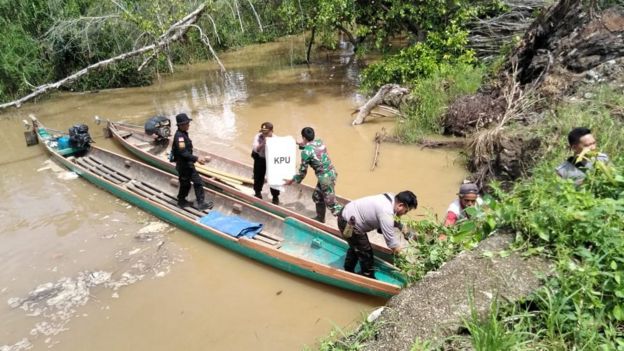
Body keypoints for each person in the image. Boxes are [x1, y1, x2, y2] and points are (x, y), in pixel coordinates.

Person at [337, 191, 418, 279]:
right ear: (400, 205)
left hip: (347, 211)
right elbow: (392, 243)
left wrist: (405, 231)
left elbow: (392, 220)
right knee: (365, 252)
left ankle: (348, 268)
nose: (404, 214)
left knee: (357, 245)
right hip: (349, 223)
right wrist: (406, 259)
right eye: (406, 211)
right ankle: (367, 276)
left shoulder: (390, 198)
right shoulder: (386, 213)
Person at [284, 127, 341, 223]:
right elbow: (311, 148)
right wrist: (300, 144)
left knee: (333, 206)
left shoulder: (306, 152)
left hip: (325, 180)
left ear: (303, 137)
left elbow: (302, 172)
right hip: (331, 173)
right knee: (317, 196)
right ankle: (320, 219)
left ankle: (350, 223)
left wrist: (292, 180)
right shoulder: (320, 142)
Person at [170, 113, 212, 210]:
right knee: (198, 183)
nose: (189, 125)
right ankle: (200, 204)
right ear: (181, 125)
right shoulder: (179, 137)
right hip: (185, 166)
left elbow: (185, 151)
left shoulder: (183, 134)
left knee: (186, 184)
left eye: (188, 123)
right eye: (187, 123)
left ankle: (181, 201)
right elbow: (183, 152)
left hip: (185, 164)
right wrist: (196, 158)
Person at [251, 122, 280, 205]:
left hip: (270, 160)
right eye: (263, 132)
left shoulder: (276, 139)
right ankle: (257, 193)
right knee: (258, 176)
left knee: (274, 178)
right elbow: (256, 149)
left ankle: (275, 197)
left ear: (272, 131)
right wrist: (263, 143)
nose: (264, 134)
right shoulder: (258, 137)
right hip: (260, 158)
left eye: (266, 132)